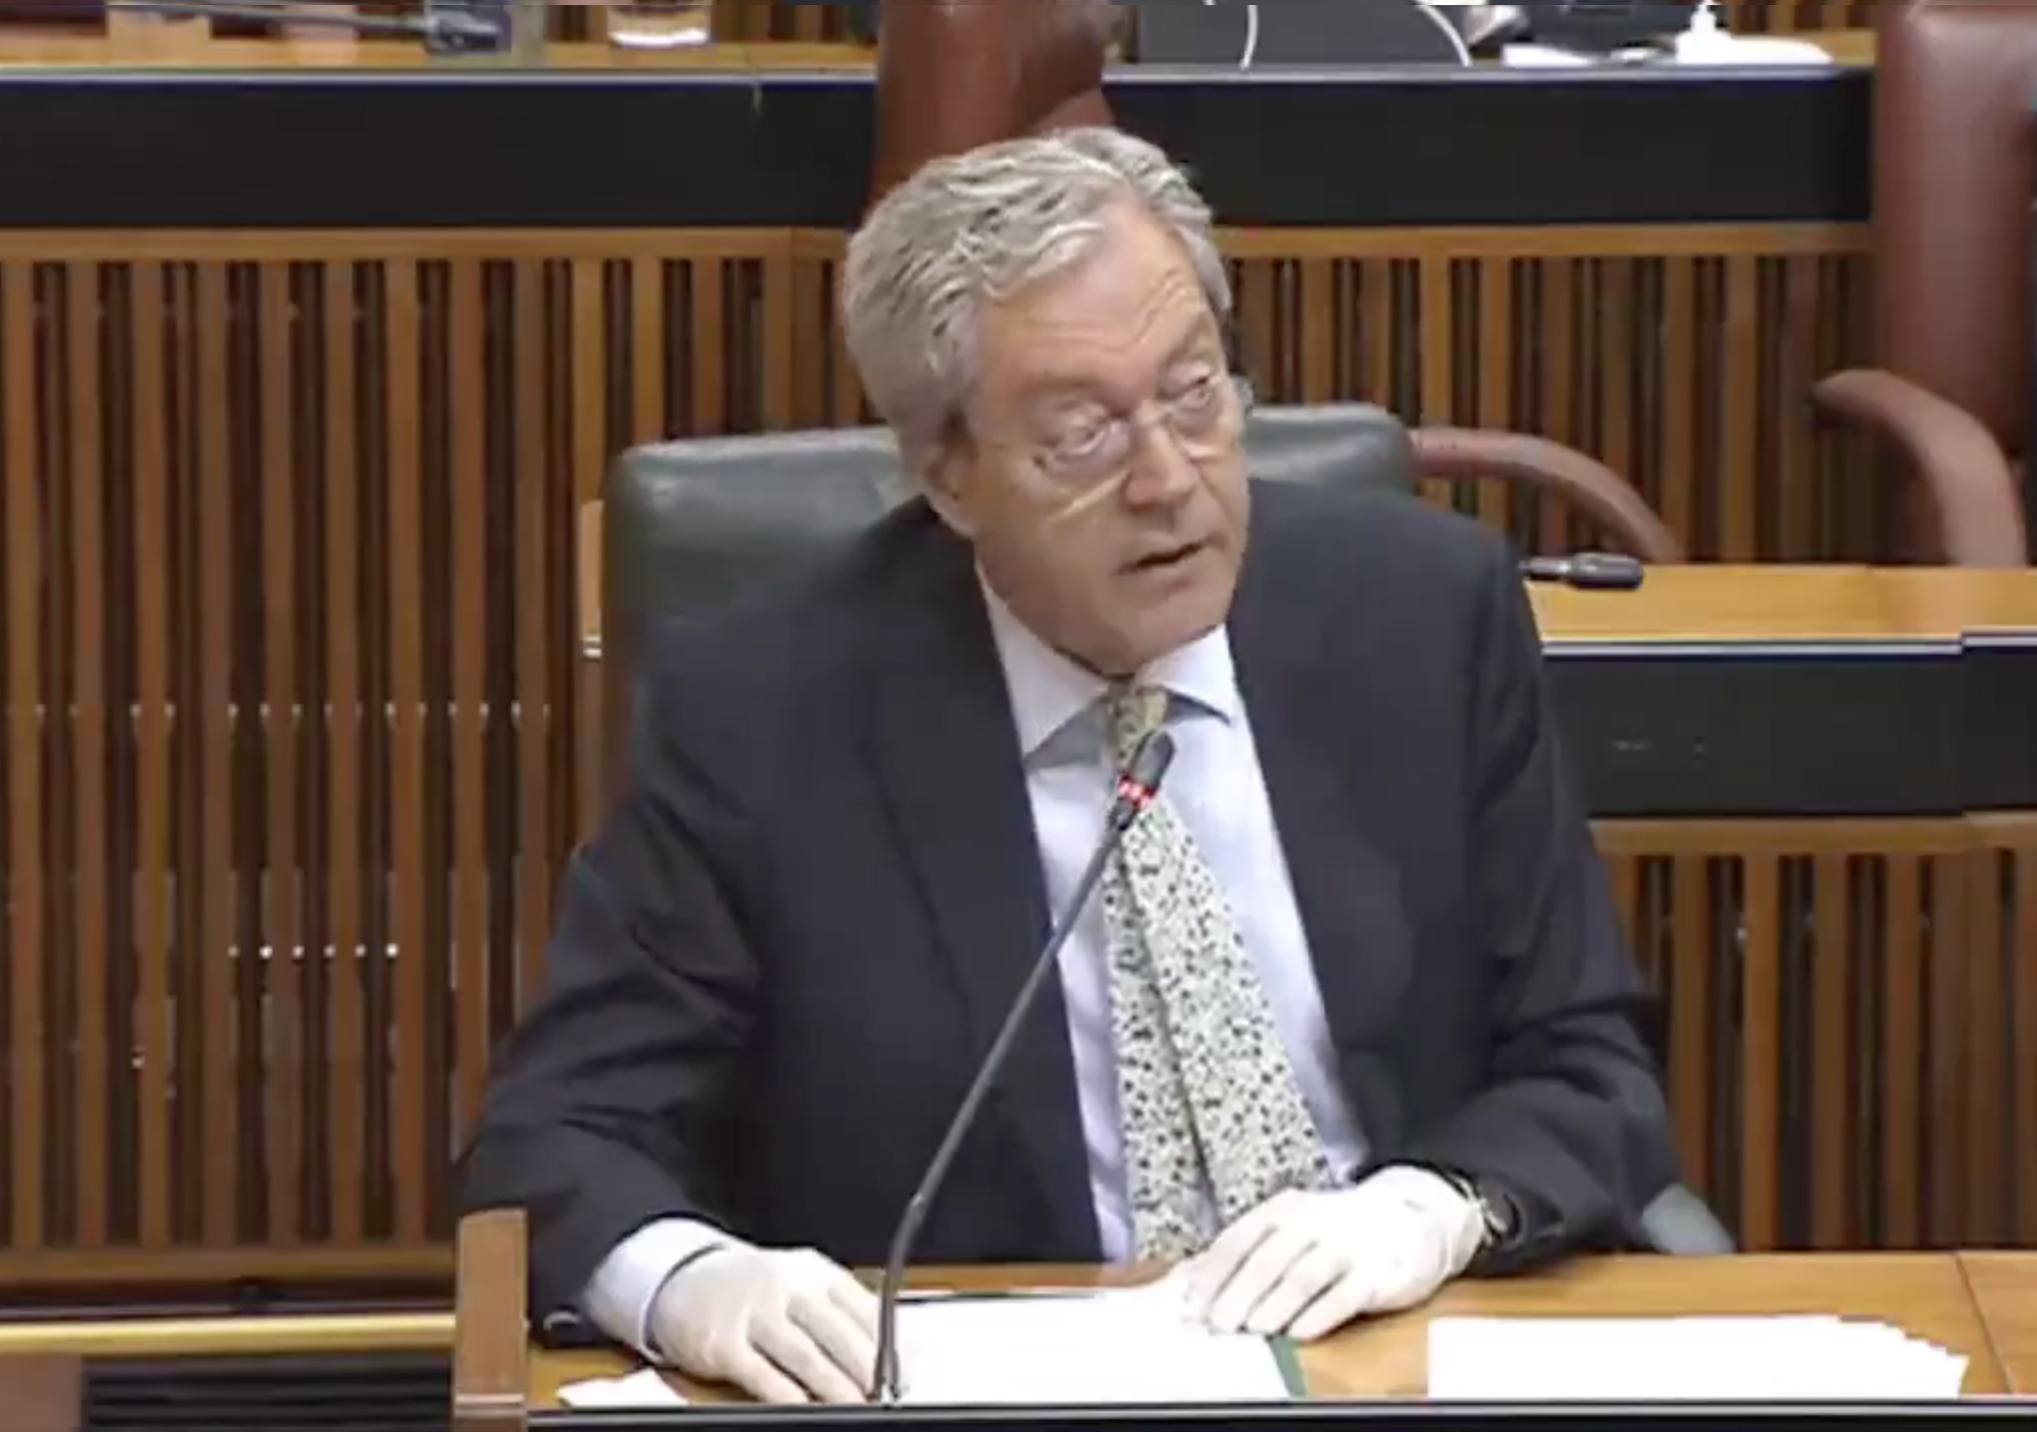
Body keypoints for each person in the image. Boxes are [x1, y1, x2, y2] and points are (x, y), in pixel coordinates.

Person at [458, 126, 1676, 1406]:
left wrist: (1432, 1206)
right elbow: (553, 1137)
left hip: (1393, 1362)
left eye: (1194, 392)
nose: (1169, 479)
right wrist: (693, 1280)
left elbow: (1590, 1064)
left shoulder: (1425, 616)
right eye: (1083, 437)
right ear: (947, 474)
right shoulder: (766, 714)